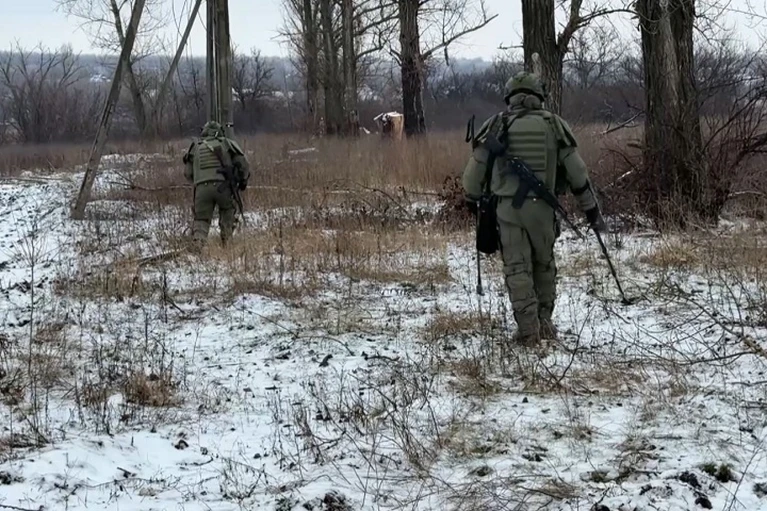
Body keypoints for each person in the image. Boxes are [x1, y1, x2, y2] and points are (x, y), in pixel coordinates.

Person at [462, 71, 606, 347]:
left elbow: (472, 177)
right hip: (543, 210)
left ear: (509, 96)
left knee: (517, 269)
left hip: (507, 211)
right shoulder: (553, 125)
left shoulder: (497, 125)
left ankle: (528, 331)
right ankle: (545, 323)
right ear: (539, 95)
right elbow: (577, 172)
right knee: (544, 264)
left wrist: (473, 200)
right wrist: (590, 209)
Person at [182, 121, 250, 247]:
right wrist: (242, 181)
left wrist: (200, 181)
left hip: (202, 189)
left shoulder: (195, 147)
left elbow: (188, 173)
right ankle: (227, 242)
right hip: (223, 188)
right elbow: (243, 165)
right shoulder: (227, 143)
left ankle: (198, 245)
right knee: (227, 211)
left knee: (201, 219)